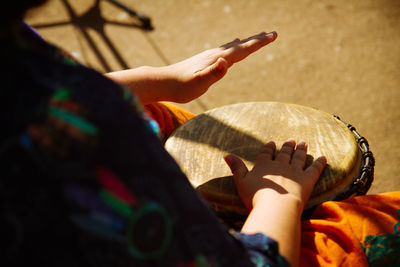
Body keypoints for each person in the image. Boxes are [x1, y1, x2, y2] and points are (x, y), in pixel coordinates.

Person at [1, 1, 399, 267]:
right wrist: (278, 199)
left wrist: (163, 80)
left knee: (163, 113)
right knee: (380, 224)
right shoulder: (81, 128)